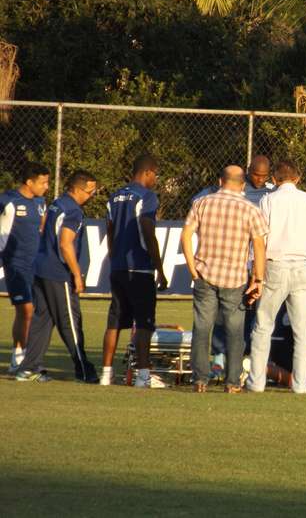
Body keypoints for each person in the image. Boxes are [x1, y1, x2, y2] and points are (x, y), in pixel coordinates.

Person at [247, 160, 306, 394]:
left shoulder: (268, 200)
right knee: (303, 331)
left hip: (274, 265)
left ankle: (256, 382)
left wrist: (257, 272)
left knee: (263, 325)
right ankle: (301, 384)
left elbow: (260, 238)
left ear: (274, 179)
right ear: (298, 178)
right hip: (304, 266)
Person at [182, 165, 267, 394]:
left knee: (202, 328)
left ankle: (200, 380)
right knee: (235, 332)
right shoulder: (250, 209)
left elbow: (186, 234)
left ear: (220, 181)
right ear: (242, 185)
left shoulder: (202, 203)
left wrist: (192, 268)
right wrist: (258, 278)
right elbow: (259, 245)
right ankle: (232, 382)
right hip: (235, 278)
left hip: (204, 274)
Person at [16, 170, 99, 383]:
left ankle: (29, 368)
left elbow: (45, 228)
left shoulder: (57, 203)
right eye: (90, 191)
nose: (92, 195)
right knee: (70, 321)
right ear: (77, 189)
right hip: (57, 272)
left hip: (40, 269)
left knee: (42, 320)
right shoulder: (74, 211)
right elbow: (65, 243)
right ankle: (83, 370)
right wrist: (76, 275)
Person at [100, 155, 168, 388]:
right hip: (139, 267)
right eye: (156, 174)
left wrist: (113, 256)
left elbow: (109, 230)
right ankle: (142, 375)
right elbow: (148, 231)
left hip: (118, 266)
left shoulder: (114, 196)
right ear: (148, 172)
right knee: (144, 323)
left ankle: (106, 374)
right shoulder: (147, 196)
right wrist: (159, 267)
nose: (156, 179)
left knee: (115, 321)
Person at [0, 162, 50, 373]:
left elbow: (42, 228)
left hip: (35, 266)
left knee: (34, 312)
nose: (46, 186)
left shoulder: (40, 202)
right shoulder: (8, 201)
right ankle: (18, 356)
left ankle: (22, 355)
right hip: (15, 264)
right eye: (43, 182)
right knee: (26, 310)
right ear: (29, 182)